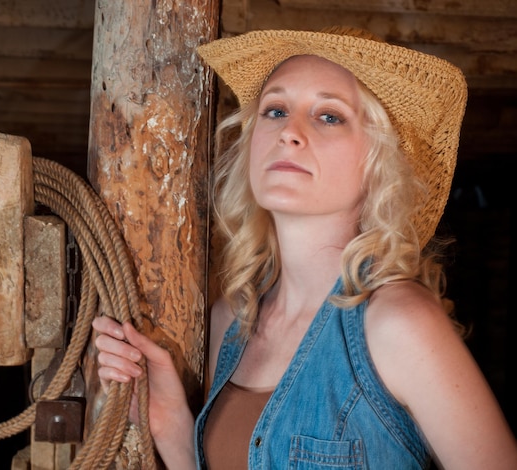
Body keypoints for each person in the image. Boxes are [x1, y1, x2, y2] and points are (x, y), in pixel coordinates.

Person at [92, 27, 517, 469]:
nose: (289, 132)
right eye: (275, 110)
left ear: (377, 165)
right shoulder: (229, 322)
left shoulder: (399, 323)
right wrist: (172, 426)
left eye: (329, 116)